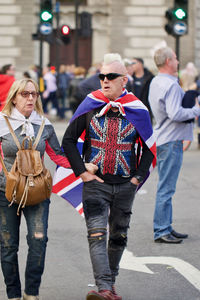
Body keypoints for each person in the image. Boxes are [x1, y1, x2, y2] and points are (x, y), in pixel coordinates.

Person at [62, 53, 156, 300]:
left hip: (125, 185)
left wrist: (137, 178)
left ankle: (109, 285)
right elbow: (69, 140)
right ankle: (104, 288)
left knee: (118, 236)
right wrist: (81, 171)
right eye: (102, 76)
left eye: (111, 76)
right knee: (96, 234)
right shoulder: (90, 104)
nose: (105, 81)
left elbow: (149, 147)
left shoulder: (137, 109)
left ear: (124, 80)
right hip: (95, 186)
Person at [0, 78, 71, 300]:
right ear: (14, 97)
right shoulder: (1, 123)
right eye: (25, 94)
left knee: (38, 240)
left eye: (34, 94)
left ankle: (31, 293)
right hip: (6, 192)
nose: (30, 98)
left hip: (38, 192)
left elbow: (59, 156)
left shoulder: (44, 125)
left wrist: (84, 167)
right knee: (8, 246)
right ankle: (13, 295)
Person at [148, 47, 200, 244]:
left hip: (163, 138)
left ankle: (165, 226)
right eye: (176, 58)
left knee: (166, 186)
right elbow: (175, 114)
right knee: (166, 188)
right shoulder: (170, 85)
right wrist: (196, 110)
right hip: (171, 141)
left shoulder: (156, 81)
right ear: (169, 61)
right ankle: (161, 229)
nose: (178, 62)